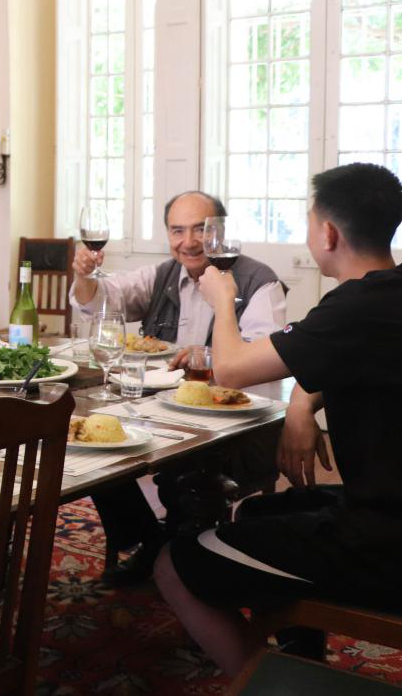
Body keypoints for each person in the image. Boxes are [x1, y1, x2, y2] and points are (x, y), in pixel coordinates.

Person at [154, 162, 402, 677]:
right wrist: (302, 403)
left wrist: (223, 303)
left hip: (383, 541)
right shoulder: (385, 298)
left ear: (327, 233)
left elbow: (231, 369)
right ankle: (299, 654)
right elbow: (355, 360)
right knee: (254, 514)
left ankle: (264, 682)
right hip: (384, 510)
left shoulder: (353, 308)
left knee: (173, 563)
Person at [70, 191, 287, 585]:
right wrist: (84, 277)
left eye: (201, 229)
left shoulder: (259, 281)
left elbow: (263, 361)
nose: (189, 241)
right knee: (96, 436)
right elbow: (103, 302)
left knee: (184, 469)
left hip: (236, 426)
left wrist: (206, 355)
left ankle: (184, 559)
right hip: (166, 413)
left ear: (221, 232)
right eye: (177, 230)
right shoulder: (162, 275)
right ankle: (148, 539)